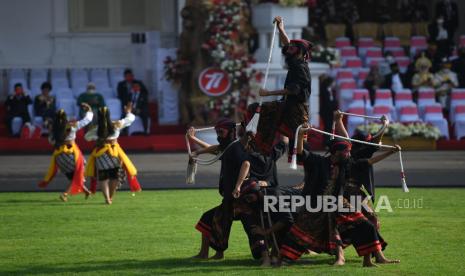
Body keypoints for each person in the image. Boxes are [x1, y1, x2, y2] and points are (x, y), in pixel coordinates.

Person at [279, 124, 400, 267]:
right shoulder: (318, 162)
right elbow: (300, 152)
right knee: (305, 232)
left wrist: (390, 152)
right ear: (335, 153)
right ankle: (286, 258)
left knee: (366, 225)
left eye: (348, 153)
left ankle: (369, 260)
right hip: (316, 204)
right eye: (346, 153)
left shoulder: (346, 164)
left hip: (339, 203)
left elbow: (367, 162)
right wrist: (300, 135)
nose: (348, 155)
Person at [253, 16, 313, 158]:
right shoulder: (295, 61)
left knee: (300, 145)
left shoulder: (300, 67)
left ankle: (309, 173)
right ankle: (263, 150)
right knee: (257, 110)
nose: (288, 48)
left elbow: (293, 90)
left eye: (293, 48)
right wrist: (281, 28)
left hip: (297, 109)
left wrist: (268, 93)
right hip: (286, 104)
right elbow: (287, 43)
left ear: (299, 52)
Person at [191, 119, 250, 260]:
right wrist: (195, 145)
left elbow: (245, 164)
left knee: (209, 219)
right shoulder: (230, 146)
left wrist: (237, 186)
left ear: (230, 132)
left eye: (221, 132)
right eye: (217, 132)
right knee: (214, 220)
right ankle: (212, 253)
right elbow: (216, 149)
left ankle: (209, 254)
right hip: (230, 197)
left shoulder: (235, 147)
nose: (219, 134)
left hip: (238, 199)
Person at [84, 104, 141, 204]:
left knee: (103, 177)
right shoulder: (116, 124)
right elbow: (130, 119)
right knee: (114, 176)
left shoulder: (96, 129)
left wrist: (96, 137)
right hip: (114, 153)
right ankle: (111, 197)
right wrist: (128, 111)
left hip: (100, 154)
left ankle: (106, 198)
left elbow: (87, 137)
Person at [38, 104, 93, 202]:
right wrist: (89, 110)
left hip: (59, 157)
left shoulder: (53, 129)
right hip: (71, 153)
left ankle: (87, 192)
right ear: (65, 117)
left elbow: (51, 141)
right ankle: (65, 194)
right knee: (80, 173)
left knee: (74, 176)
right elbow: (87, 120)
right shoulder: (72, 126)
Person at [319, 75, 338, 145]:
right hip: (326, 111)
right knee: (327, 127)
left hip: (330, 111)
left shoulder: (330, 90)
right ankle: (326, 142)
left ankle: (328, 141)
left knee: (330, 127)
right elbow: (327, 101)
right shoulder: (324, 89)